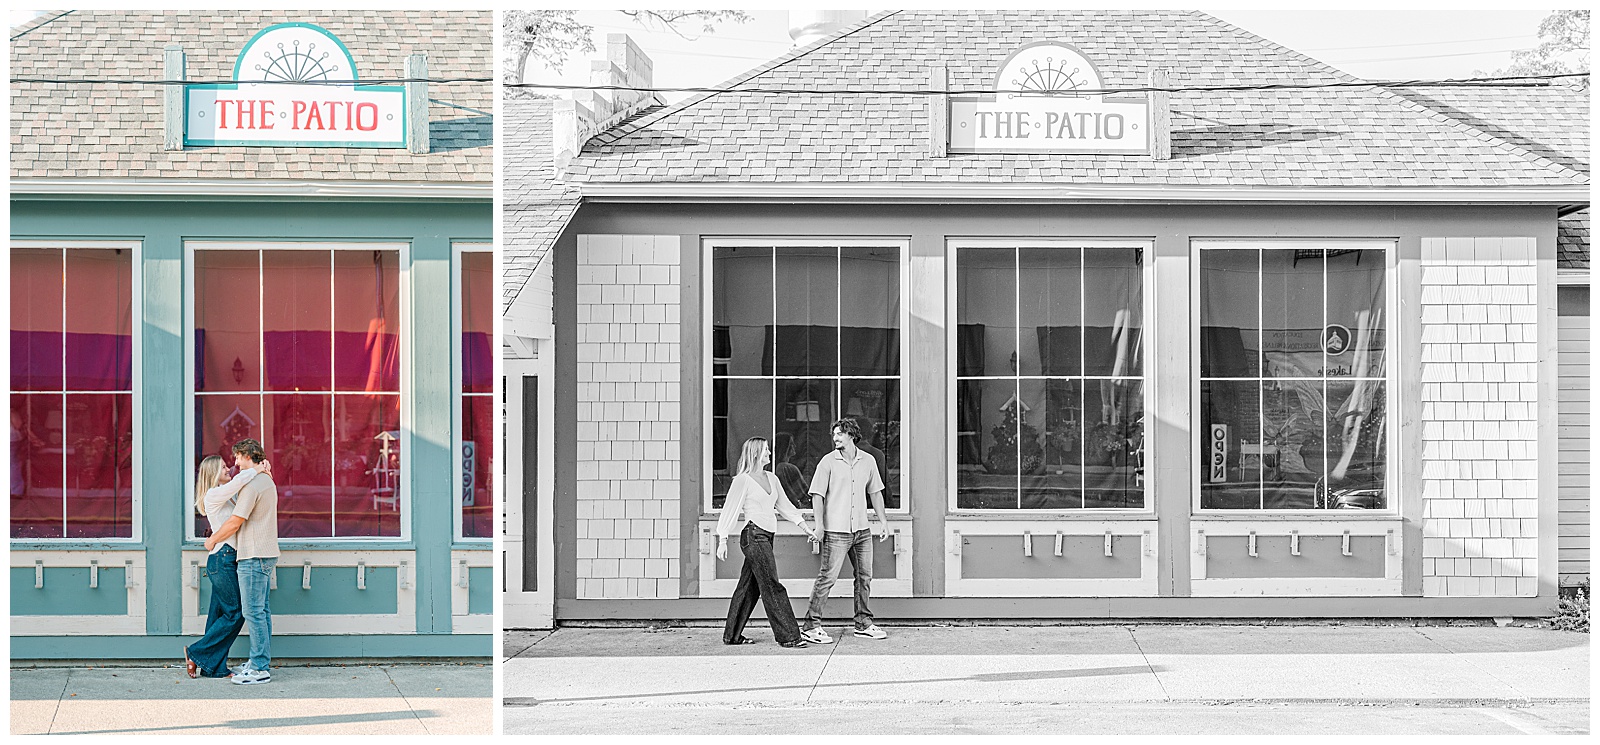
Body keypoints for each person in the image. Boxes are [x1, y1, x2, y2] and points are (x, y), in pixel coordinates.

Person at [715, 436, 818, 648]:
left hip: (767, 537)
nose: (770, 453)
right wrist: (722, 539)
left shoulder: (772, 478)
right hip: (753, 536)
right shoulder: (742, 480)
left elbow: (786, 507)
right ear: (755, 454)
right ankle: (789, 636)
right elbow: (730, 510)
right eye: (766, 450)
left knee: (748, 587)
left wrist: (806, 528)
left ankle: (732, 635)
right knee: (772, 584)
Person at [801, 418, 890, 644]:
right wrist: (820, 526)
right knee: (827, 578)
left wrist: (883, 522)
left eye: (840, 434)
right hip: (836, 531)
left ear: (852, 435)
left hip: (862, 530)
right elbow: (817, 495)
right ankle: (811, 626)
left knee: (864, 577)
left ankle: (863, 623)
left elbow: (876, 493)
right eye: (834, 435)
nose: (835, 438)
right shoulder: (827, 462)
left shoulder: (868, 461)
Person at [183, 454, 271, 678]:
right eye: (222, 467)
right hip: (223, 559)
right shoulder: (214, 494)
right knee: (236, 613)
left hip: (225, 558)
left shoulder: (227, 496)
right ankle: (195, 652)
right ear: (212, 473)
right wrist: (257, 470)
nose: (228, 469)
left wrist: (262, 472)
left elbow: (243, 490)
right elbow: (239, 482)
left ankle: (214, 668)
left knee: (218, 614)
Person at [205, 438, 278, 685]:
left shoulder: (254, 483)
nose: (234, 463)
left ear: (247, 456)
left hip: (253, 553)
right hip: (263, 552)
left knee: (252, 612)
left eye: (237, 457)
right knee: (262, 611)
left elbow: (236, 521)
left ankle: (259, 667)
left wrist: (212, 539)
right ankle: (260, 661)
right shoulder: (264, 480)